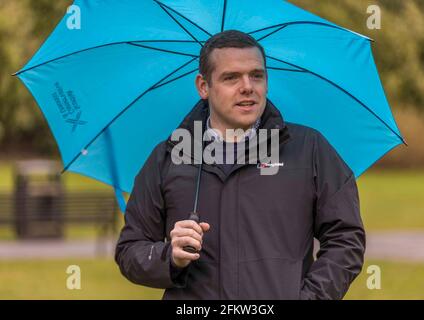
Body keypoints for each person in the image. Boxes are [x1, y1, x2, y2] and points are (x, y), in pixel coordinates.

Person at [115, 30, 365, 300]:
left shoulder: (309, 149)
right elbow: (130, 251)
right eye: (231, 77)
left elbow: (345, 239)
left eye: (256, 75)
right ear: (203, 86)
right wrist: (169, 256)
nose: (247, 86)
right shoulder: (169, 157)